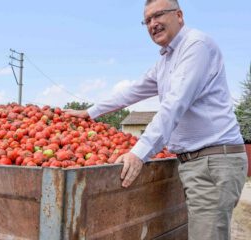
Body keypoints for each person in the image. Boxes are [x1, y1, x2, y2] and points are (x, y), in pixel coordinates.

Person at [65, 0, 248, 239]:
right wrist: (91, 112)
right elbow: (132, 91)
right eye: (147, 20)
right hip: (196, 162)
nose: (153, 24)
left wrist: (138, 153)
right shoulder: (166, 61)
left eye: (158, 15)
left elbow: (174, 105)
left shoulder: (196, 46)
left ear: (179, 15)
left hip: (212, 162)